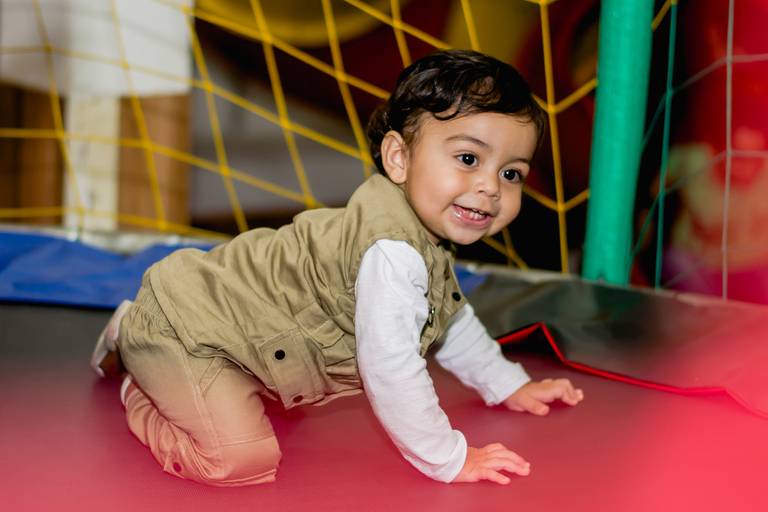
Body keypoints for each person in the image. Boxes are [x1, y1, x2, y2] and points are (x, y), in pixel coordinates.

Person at [91, 49, 584, 487]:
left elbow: (451, 322)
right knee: (240, 462)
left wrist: (507, 383)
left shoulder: (419, 236)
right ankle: (141, 364)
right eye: (468, 158)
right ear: (398, 158)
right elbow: (391, 371)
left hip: (241, 341)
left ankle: (152, 347)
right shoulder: (392, 253)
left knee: (274, 418)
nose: (491, 187)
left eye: (511, 173)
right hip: (191, 331)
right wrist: (448, 459)